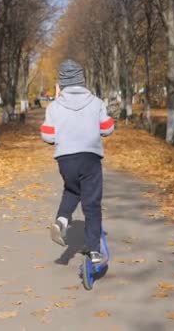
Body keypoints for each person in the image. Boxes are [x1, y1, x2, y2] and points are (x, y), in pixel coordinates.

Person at [40, 59, 114, 263]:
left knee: (72, 190)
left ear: (61, 83)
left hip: (66, 159)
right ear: (83, 80)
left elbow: (47, 135)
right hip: (90, 157)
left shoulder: (54, 107)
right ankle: (93, 249)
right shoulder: (97, 102)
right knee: (92, 204)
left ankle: (62, 220)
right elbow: (107, 128)